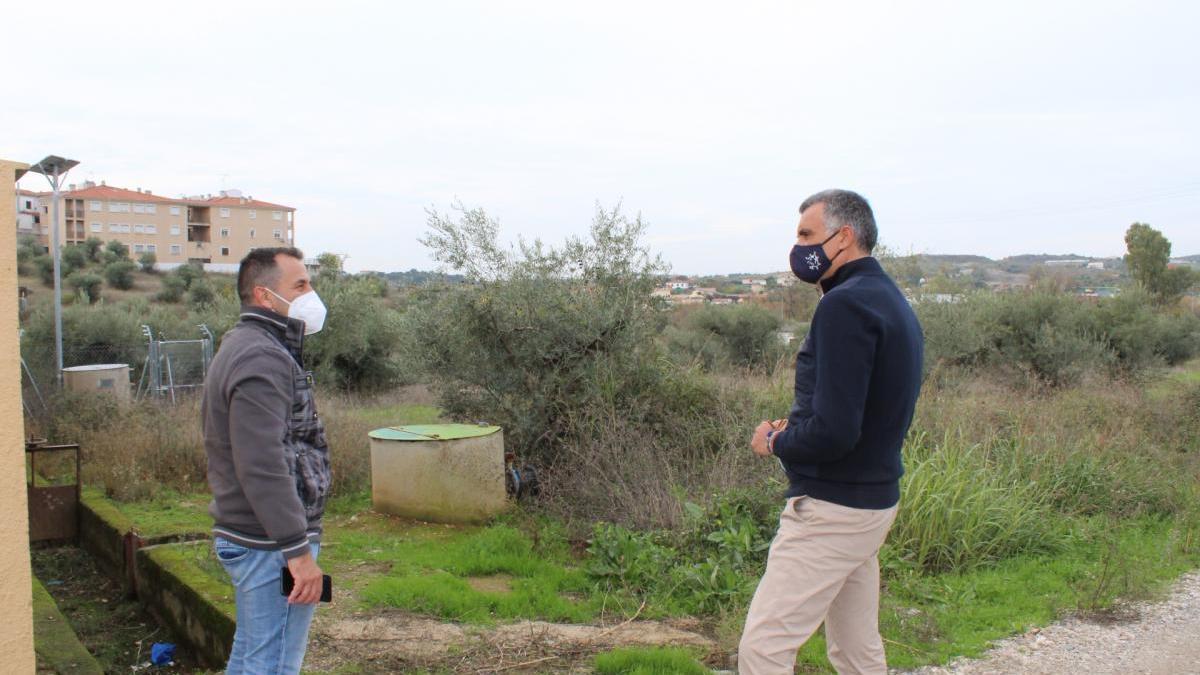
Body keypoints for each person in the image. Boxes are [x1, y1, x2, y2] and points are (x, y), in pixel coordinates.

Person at [737, 190, 924, 675]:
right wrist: (801, 424)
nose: (798, 247)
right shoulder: (889, 300)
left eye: (806, 235)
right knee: (856, 649)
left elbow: (837, 432)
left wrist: (775, 441)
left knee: (764, 649)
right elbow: (863, 408)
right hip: (871, 502)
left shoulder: (843, 306)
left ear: (844, 237)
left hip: (832, 507)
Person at [203, 247, 333, 674]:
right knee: (275, 663)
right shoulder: (262, 357)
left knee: (252, 655)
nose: (311, 293)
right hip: (269, 544)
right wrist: (297, 552)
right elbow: (262, 464)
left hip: (255, 537)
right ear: (264, 295)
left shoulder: (247, 345)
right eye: (300, 285)